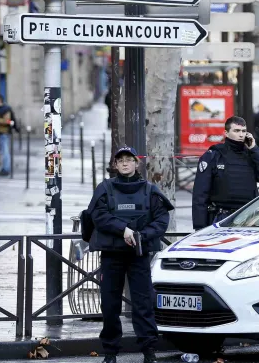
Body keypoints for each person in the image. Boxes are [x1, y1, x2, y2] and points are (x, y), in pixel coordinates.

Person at [80, 146, 172, 363]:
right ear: (115, 164)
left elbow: (161, 221)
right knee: (110, 305)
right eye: (120, 160)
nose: (124, 163)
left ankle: (149, 351)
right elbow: (98, 215)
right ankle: (110, 353)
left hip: (138, 255)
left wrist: (141, 235)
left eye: (128, 160)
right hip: (112, 255)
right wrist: (124, 230)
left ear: (136, 163)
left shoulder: (150, 190)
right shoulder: (105, 188)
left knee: (143, 304)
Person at [192, 116, 259, 229]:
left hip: (248, 217)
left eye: (243, 131)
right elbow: (200, 194)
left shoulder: (251, 154)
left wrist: (254, 149)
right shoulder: (214, 155)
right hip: (222, 217)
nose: (241, 135)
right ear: (226, 133)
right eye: (236, 131)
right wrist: (199, 226)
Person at [0, 94, 15, 176]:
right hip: (0, 133)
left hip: (4, 133)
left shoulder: (5, 109)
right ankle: (4, 168)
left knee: (5, 152)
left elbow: (7, 121)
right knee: (3, 151)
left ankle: (6, 169)